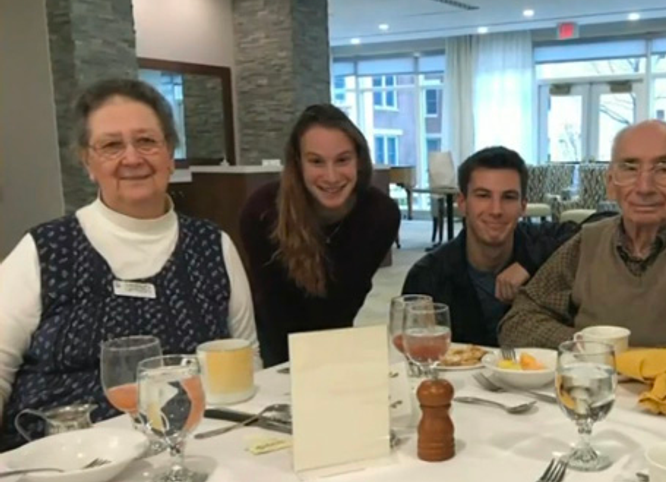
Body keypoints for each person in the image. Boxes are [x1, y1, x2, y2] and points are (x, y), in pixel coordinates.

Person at [0, 78, 259, 451]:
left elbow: (246, 360)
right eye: (111, 145)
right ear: (87, 162)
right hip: (62, 460)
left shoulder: (213, 246)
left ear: (170, 154)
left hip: (190, 454)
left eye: (147, 141)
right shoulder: (45, 250)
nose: (133, 158)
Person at [498, 121, 666, 361]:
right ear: (611, 182)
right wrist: (590, 348)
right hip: (592, 392)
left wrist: (634, 361)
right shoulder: (587, 242)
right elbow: (518, 322)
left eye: (664, 168)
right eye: (630, 168)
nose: (644, 187)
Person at [240, 104, 400, 366]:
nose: (331, 176)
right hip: (274, 354)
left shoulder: (381, 214)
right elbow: (272, 314)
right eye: (316, 161)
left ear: (359, 161)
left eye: (343, 160)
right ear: (298, 164)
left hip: (334, 347)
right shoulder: (262, 211)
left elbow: (344, 307)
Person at [401, 147, 579, 346]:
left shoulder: (540, 241)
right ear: (463, 203)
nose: (496, 210)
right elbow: (412, 349)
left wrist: (528, 263)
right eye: (483, 195)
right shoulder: (428, 276)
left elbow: (596, 227)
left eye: (508, 197)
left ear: (523, 206)